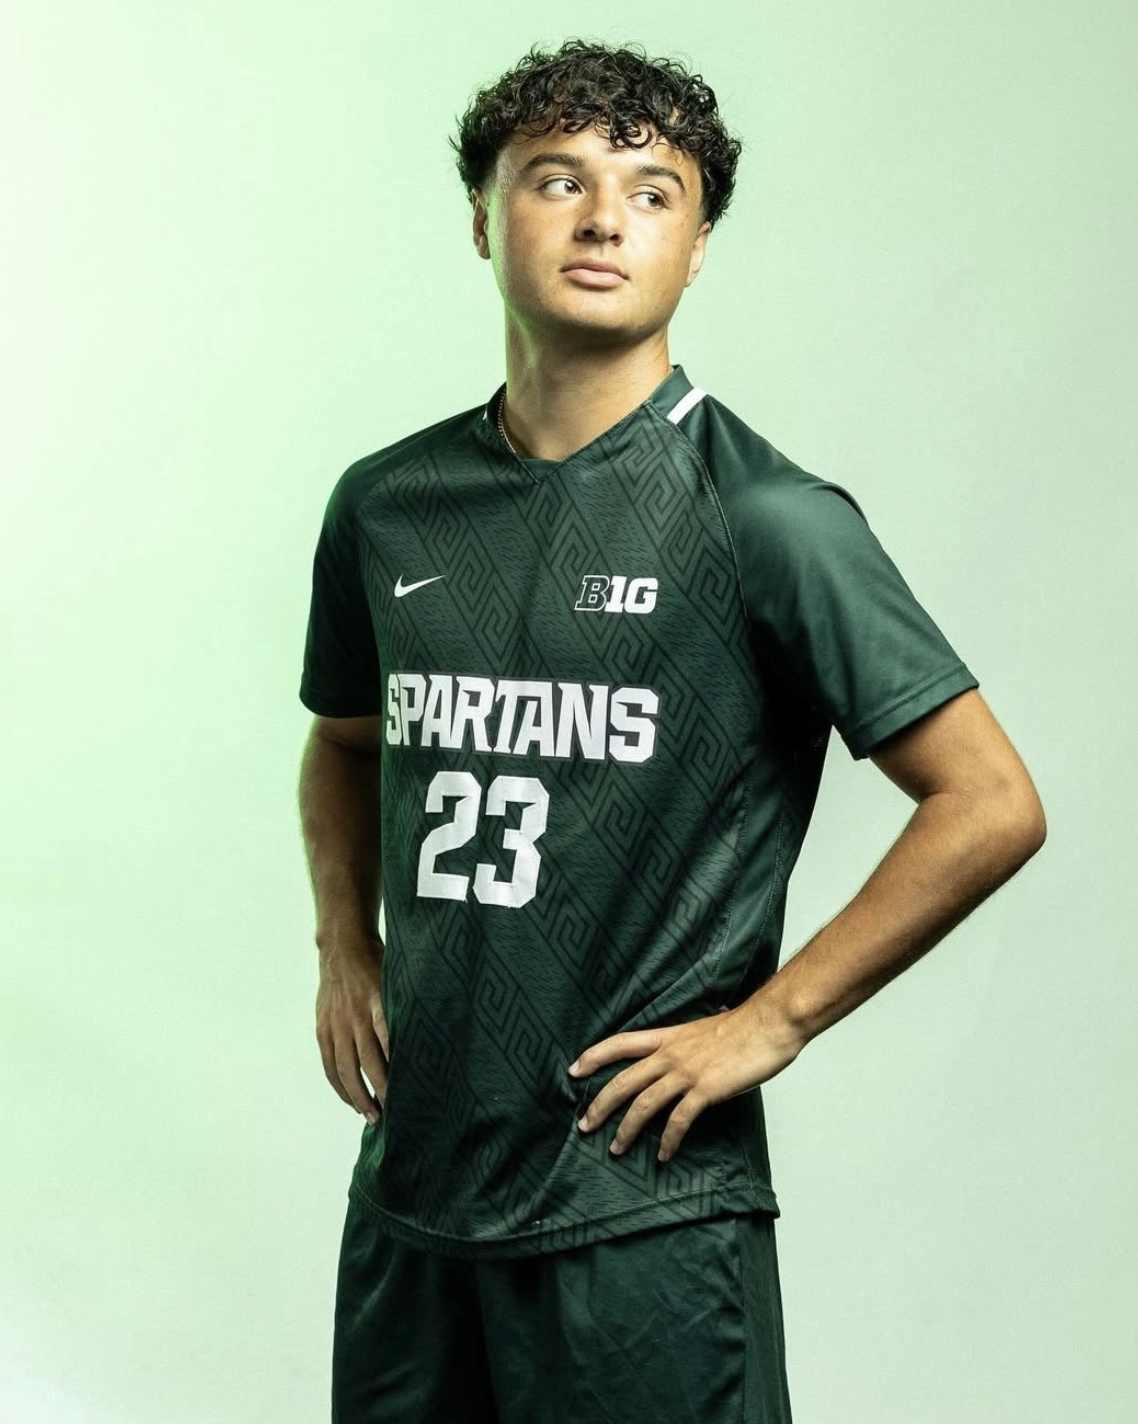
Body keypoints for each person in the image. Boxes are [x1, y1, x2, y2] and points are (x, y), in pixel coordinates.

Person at [297, 37, 1046, 1424]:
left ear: (697, 247)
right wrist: (347, 942)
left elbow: (991, 799)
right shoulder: (388, 502)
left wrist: (774, 1021)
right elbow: (346, 744)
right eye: (558, 179)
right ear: (483, 218)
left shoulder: (765, 518)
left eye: (653, 191)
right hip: (416, 1198)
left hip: (639, 1212)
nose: (602, 218)